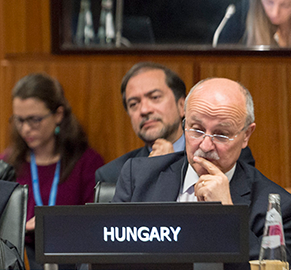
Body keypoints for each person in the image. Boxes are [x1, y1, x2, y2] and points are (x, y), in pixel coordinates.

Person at [113, 77, 291, 262]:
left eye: (221, 134)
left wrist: (228, 217)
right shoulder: (139, 177)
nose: (206, 146)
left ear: (246, 135)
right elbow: (100, 254)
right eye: (196, 130)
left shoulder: (277, 209)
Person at [96, 62, 255, 186]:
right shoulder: (113, 174)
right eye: (134, 104)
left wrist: (172, 163)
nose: (144, 110)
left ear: (182, 106)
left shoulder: (229, 152)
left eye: (155, 97)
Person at [1, 73, 104, 233]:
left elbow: (96, 221)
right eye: (19, 120)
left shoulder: (87, 162)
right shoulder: (6, 163)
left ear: (58, 115)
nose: (26, 129)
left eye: (34, 119)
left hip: (70, 252)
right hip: (21, 254)